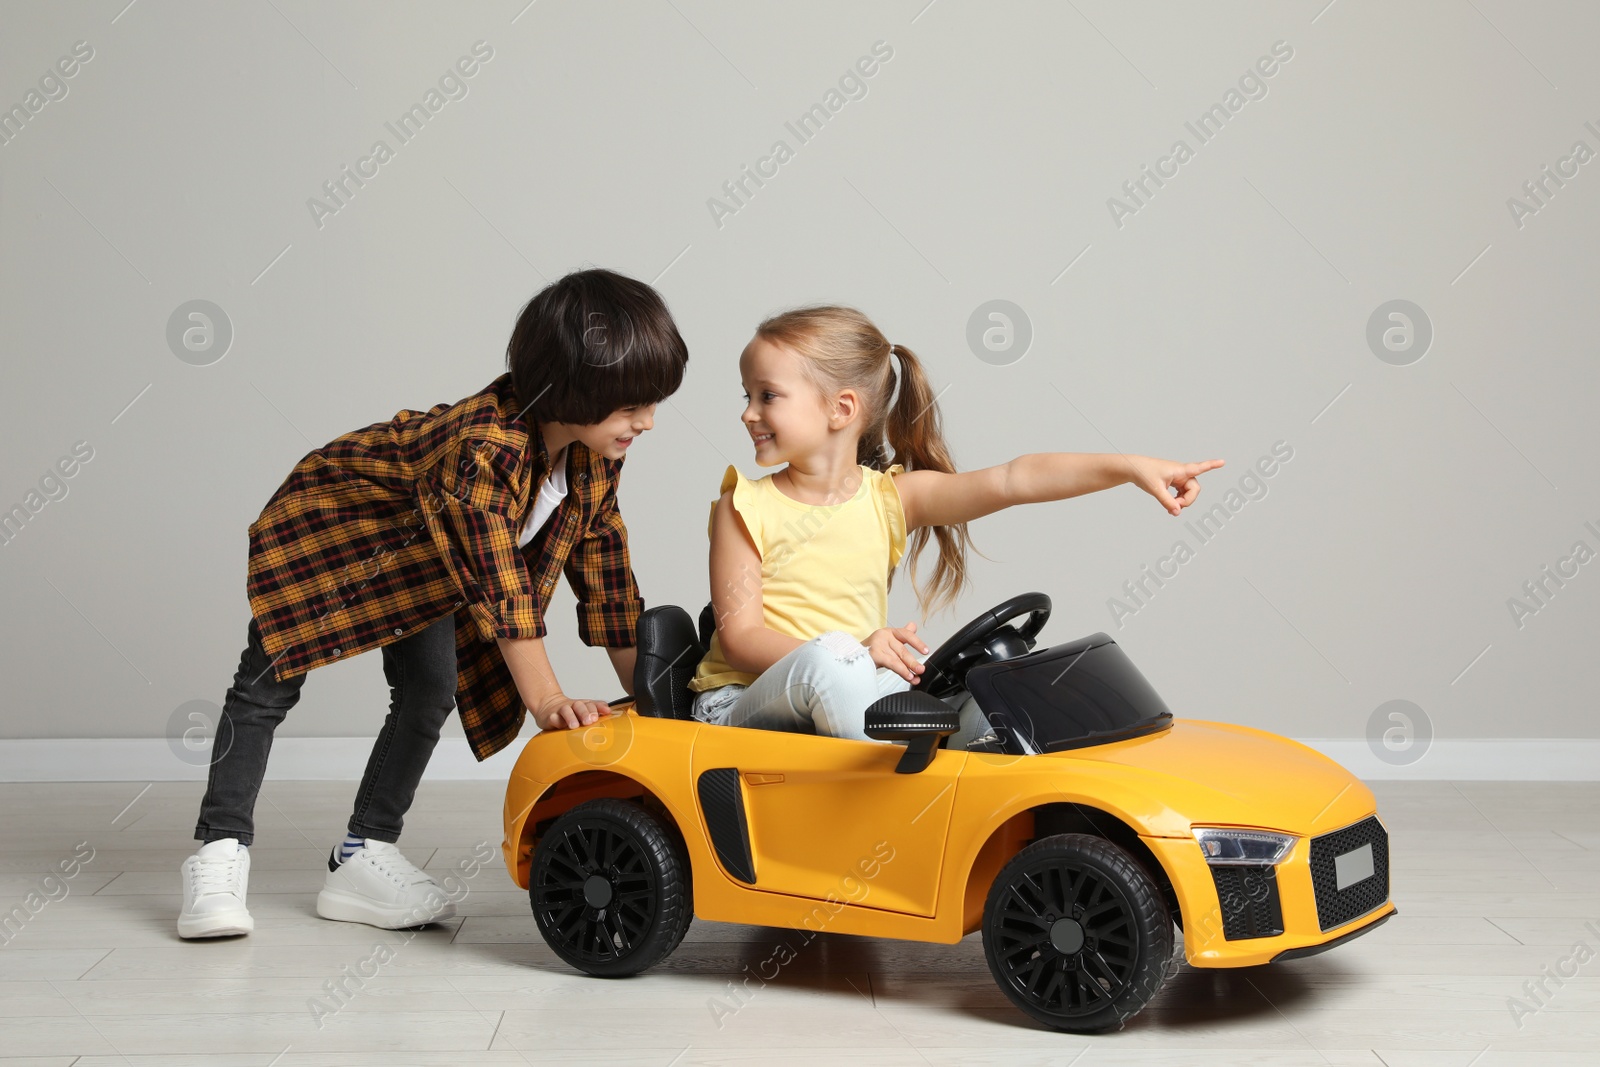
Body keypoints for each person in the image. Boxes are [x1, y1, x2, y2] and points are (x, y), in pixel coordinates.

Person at [178, 268, 689, 939]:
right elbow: (500, 584)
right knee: (265, 686)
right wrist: (547, 701)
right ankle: (219, 849)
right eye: (631, 406)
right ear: (570, 387)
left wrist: (662, 707)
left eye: (652, 403)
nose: (648, 422)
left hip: (424, 570)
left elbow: (608, 576)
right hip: (329, 534)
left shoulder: (595, 458)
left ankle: (362, 854)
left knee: (430, 690)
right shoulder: (480, 447)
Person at [686, 305, 1222, 746]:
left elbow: (1015, 478)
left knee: (991, 704)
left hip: (852, 687)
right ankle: (879, 810)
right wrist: (855, 650)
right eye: (747, 396)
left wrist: (1129, 468)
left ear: (841, 408)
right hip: (739, 707)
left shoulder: (892, 499)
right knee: (836, 661)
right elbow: (740, 639)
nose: (748, 413)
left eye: (767, 396)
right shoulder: (745, 506)